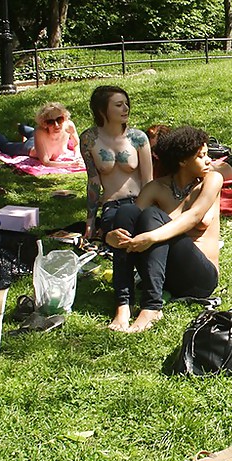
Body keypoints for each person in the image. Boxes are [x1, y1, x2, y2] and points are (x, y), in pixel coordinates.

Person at [104, 126, 222, 332]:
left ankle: (151, 307)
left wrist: (151, 237)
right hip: (166, 276)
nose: (209, 160)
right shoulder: (156, 188)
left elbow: (193, 217)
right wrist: (109, 237)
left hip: (200, 278)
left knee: (152, 216)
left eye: (207, 155)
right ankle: (123, 305)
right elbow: (131, 223)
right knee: (126, 212)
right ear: (182, 161)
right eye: (201, 156)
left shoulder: (211, 180)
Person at [79, 85, 154, 330]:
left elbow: (149, 181)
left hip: (140, 202)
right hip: (112, 205)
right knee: (121, 227)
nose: (125, 108)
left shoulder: (138, 138)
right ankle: (125, 306)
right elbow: (93, 180)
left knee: (128, 224)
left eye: (126, 103)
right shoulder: (89, 139)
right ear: (103, 110)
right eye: (118, 104)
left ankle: (125, 305)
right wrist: (91, 219)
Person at [0, 102, 81, 167]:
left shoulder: (69, 126)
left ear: (65, 117)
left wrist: (77, 156)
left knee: (32, 134)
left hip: (37, 137)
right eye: (50, 122)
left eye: (59, 119)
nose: (56, 125)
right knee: (5, 146)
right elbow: (45, 162)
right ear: (44, 124)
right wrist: (71, 164)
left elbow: (77, 144)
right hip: (30, 147)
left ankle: (20, 126)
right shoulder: (40, 132)